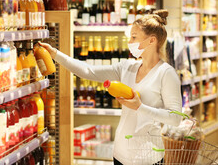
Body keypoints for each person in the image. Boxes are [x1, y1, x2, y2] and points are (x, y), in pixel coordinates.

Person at [39, 9, 182, 165]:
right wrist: (56, 55)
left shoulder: (166, 73)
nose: (130, 42)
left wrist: (140, 107)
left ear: (151, 40)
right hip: (120, 154)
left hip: (147, 157)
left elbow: (175, 118)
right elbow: (88, 71)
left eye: (134, 37)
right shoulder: (127, 67)